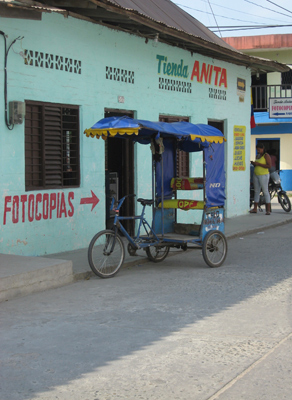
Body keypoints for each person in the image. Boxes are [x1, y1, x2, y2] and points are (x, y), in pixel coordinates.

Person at [250, 142, 272, 215]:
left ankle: (268, 210)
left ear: (263, 149)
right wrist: (254, 163)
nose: (258, 151)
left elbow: (269, 166)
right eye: (257, 150)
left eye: (259, 150)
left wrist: (258, 164)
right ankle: (255, 208)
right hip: (256, 174)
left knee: (265, 191)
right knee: (256, 191)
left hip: (264, 175)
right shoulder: (257, 156)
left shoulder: (266, 156)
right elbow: (257, 165)